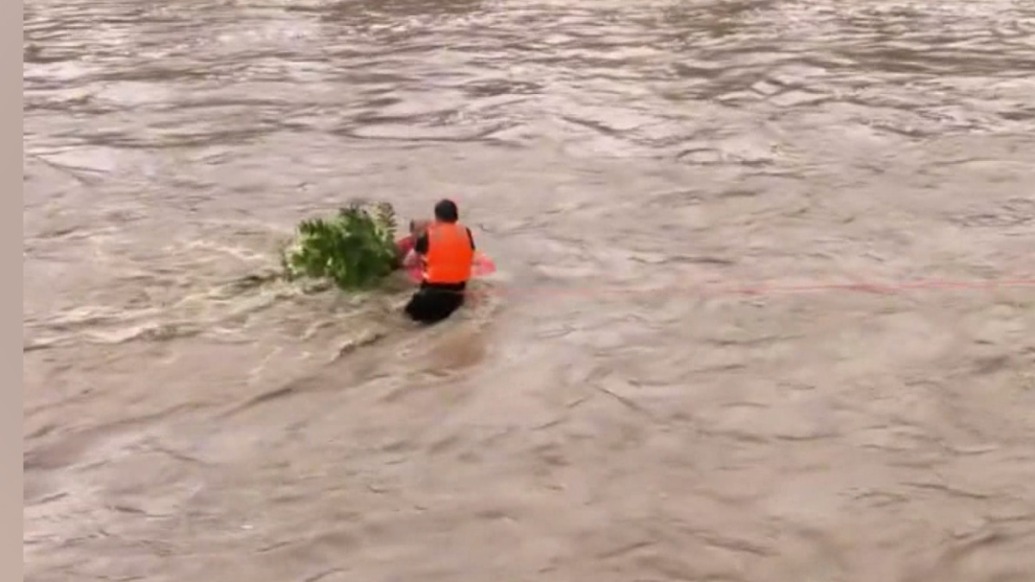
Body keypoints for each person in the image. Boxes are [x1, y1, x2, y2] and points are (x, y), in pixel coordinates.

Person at [403, 199, 476, 324]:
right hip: (456, 298)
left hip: (429, 297)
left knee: (403, 320)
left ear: (437, 217)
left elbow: (408, 261)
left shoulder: (428, 235)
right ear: (456, 216)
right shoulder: (466, 232)